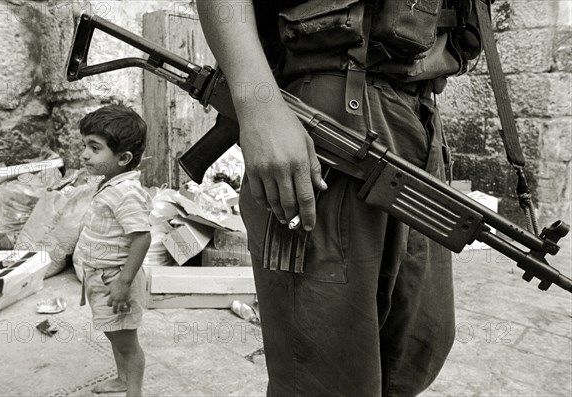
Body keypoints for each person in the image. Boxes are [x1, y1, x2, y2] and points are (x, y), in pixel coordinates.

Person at [196, 0, 481, 396]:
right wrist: (258, 105)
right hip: (330, 117)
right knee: (323, 372)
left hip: (415, 111)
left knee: (416, 346)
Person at [73, 104, 152, 396]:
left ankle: (134, 391)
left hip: (116, 279)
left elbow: (142, 238)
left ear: (123, 158)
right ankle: (121, 380)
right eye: (85, 146)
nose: (84, 154)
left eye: (94, 148)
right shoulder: (111, 184)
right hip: (100, 277)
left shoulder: (125, 192)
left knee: (127, 344)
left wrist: (123, 282)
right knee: (114, 333)